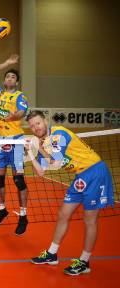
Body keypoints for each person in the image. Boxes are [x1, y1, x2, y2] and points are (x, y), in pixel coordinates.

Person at [26, 110, 114, 275]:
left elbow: (57, 164)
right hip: (80, 176)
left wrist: (39, 149)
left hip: (95, 172)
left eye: (38, 123)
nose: (36, 128)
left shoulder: (58, 134)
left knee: (90, 219)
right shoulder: (44, 142)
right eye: (32, 126)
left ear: (45, 121)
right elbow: (41, 172)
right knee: (63, 214)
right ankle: (52, 254)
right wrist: (31, 152)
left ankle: (84, 262)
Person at [0, 54, 29, 235]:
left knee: (18, 179)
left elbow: (22, 111)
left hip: (15, 139)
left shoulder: (20, 95)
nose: (9, 78)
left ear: (16, 83)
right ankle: (2, 209)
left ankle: (23, 215)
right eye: (7, 76)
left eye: (13, 77)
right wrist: (6, 63)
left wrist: (13, 116)